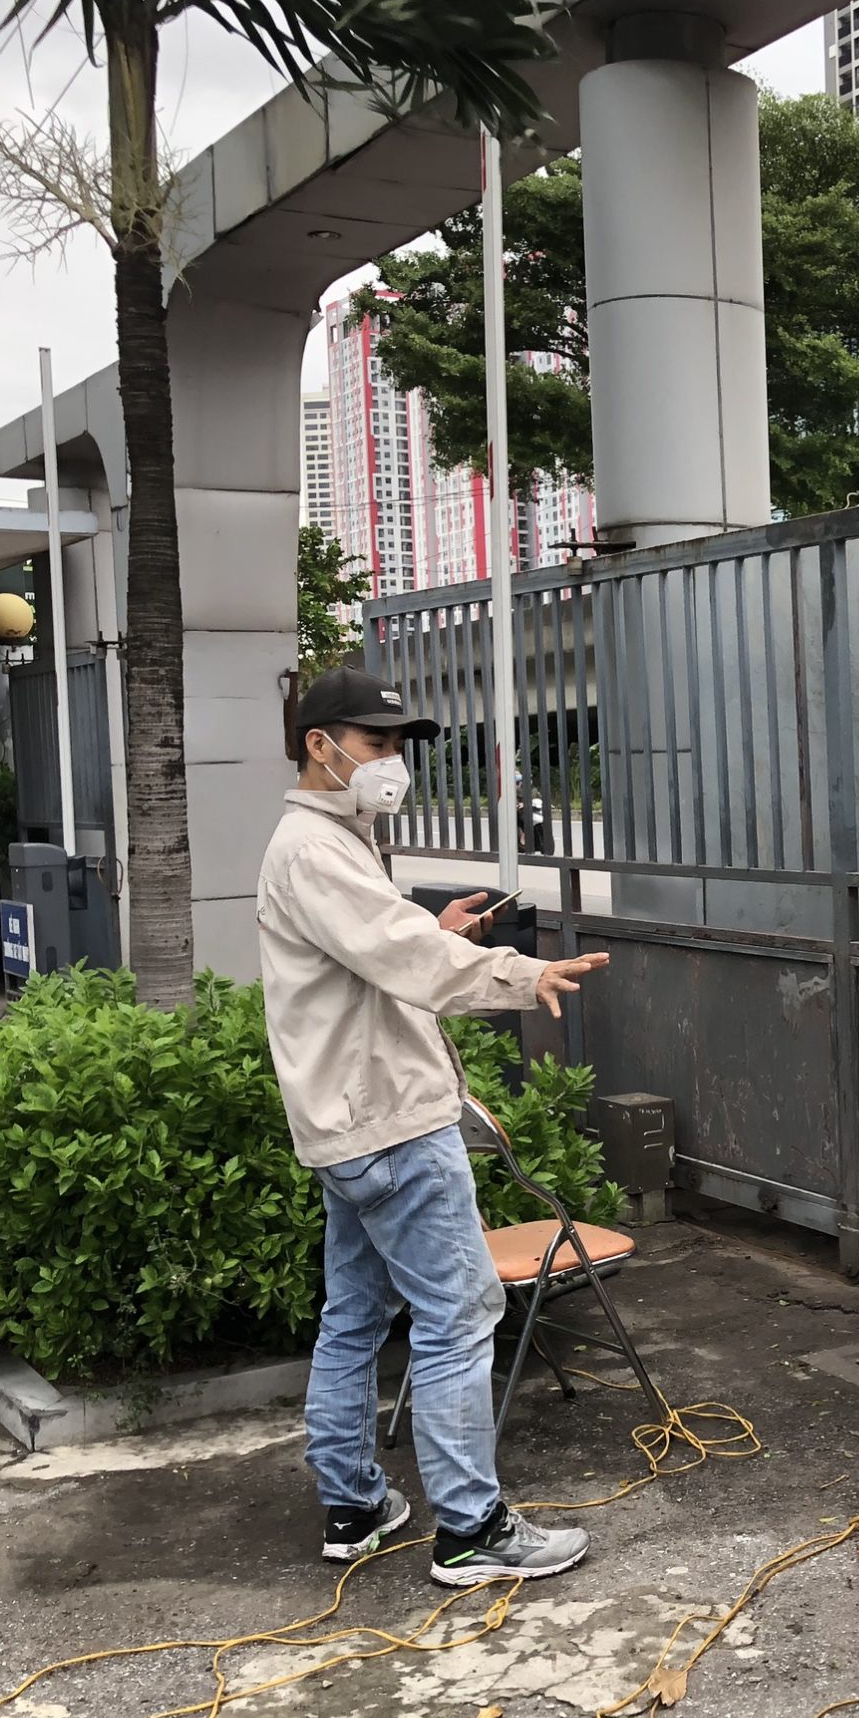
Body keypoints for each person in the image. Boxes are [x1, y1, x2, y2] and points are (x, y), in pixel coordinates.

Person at [256, 666, 612, 1585]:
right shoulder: (316, 847)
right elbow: (400, 953)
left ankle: (355, 1505)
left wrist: (435, 924)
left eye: (399, 746)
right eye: (376, 744)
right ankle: (472, 1530)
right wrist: (515, 975)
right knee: (458, 1317)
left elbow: (378, 945)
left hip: (351, 1129)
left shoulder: (332, 841)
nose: (392, 763)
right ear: (319, 745)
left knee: (356, 1315)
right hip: (391, 1125)